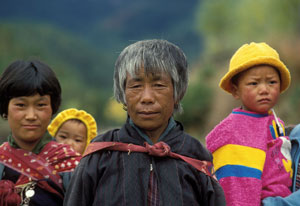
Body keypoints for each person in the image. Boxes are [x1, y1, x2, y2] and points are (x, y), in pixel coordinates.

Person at [64, 39, 225, 206]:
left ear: (177, 93)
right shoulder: (101, 154)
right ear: (123, 94)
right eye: (136, 86)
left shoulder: (196, 157)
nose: (147, 97)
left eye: (159, 85)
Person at [205, 42, 292, 205]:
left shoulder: (275, 122)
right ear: (236, 90)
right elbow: (236, 185)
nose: (264, 89)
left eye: (271, 82)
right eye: (254, 83)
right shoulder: (233, 131)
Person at [0, 60, 81, 206]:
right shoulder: (1, 161)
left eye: (41, 105)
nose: (31, 115)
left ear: (52, 109)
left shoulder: (72, 166)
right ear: (5, 109)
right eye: (21, 105)